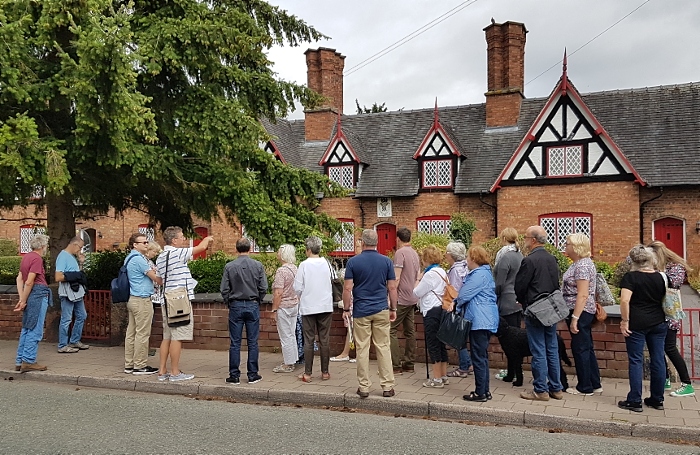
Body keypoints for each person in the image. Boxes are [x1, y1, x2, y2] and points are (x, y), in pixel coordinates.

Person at [343, 229, 397, 398]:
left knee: (362, 349)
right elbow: (392, 287)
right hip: (381, 308)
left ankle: (364, 386)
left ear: (363, 243)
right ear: (377, 243)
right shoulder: (386, 262)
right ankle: (387, 386)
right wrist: (393, 308)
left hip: (361, 311)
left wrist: (346, 309)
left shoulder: (353, 262)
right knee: (383, 347)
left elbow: (347, 288)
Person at [515, 225, 564, 401]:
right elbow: (556, 284)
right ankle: (556, 388)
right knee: (552, 348)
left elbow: (520, 286)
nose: (525, 239)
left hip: (535, 309)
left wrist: (523, 301)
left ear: (533, 240)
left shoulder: (529, 260)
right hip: (551, 309)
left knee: (538, 350)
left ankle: (540, 390)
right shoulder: (552, 259)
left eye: (526, 237)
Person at [157, 227, 213, 381]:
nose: (184, 239)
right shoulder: (177, 253)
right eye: (181, 237)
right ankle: (175, 372)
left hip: (166, 299)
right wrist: (208, 239)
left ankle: (162, 371)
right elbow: (201, 248)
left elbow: (160, 280)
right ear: (174, 240)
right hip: (179, 300)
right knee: (178, 336)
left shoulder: (161, 256)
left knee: (167, 336)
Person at [618, 245, 667, 412]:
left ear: (633, 260)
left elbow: (625, 301)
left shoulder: (631, 277)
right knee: (658, 359)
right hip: (659, 322)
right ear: (650, 259)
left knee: (636, 360)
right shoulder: (661, 277)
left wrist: (625, 320)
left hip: (636, 323)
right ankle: (657, 399)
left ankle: (635, 400)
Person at [648, 241, 695, 398]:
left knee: (670, 348)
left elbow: (672, 284)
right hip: (657, 313)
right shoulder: (656, 268)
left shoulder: (675, 267)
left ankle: (687, 384)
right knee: (657, 348)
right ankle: (665, 378)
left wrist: (655, 275)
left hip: (670, 314)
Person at [221, 238, 267, 385]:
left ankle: (234, 375)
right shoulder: (257, 265)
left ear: (236, 248)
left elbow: (224, 289)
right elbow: (264, 287)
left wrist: (229, 301)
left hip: (236, 305)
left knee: (235, 342)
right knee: (253, 342)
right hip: (252, 304)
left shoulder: (230, 266)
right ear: (250, 247)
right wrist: (258, 299)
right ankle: (252, 374)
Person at [458, 245, 499, 402]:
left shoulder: (478, 275)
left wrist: (456, 304)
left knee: (478, 357)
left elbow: (463, 295)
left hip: (480, 320)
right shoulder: (484, 273)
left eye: (468, 257)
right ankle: (485, 391)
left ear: (474, 259)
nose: (466, 260)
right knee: (482, 356)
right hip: (486, 318)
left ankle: (480, 392)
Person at [562, 233, 602, 396]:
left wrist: (575, 318)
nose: (565, 247)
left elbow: (583, 294)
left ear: (577, 247)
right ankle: (594, 383)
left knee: (580, 348)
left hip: (581, 311)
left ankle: (585, 386)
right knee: (586, 347)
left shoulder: (582, 266)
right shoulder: (579, 264)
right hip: (580, 310)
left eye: (568, 244)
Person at [293, 236, 334, 382]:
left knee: (309, 340)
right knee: (325, 339)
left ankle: (308, 373)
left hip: (309, 306)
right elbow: (334, 280)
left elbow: (297, 288)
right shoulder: (327, 263)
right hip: (325, 305)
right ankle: (325, 372)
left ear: (308, 250)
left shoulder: (304, 265)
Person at [124, 233, 162, 375]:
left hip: (133, 298)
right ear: (135, 244)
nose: (147, 244)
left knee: (131, 333)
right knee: (142, 334)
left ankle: (129, 364)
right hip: (142, 300)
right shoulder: (139, 260)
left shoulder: (130, 258)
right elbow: (157, 279)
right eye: (144, 242)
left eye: (147, 242)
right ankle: (140, 365)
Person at [413, 245, 449, 388]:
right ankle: (444, 375)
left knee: (433, 344)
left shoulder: (429, 274)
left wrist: (418, 278)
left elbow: (416, 292)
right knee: (441, 344)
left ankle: (436, 379)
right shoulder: (442, 272)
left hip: (431, 311)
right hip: (441, 309)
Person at [14, 234, 51, 372]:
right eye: (46, 245)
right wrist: (23, 300)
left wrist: (22, 298)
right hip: (38, 295)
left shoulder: (26, 257)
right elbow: (29, 281)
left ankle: (19, 360)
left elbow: (19, 279)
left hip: (29, 295)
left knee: (27, 328)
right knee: (35, 329)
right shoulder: (37, 258)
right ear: (42, 246)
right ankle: (28, 361)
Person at [493, 227, 524, 381]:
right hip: (518, 301)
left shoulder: (504, 255)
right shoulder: (520, 255)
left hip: (506, 301)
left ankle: (512, 373)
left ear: (504, 238)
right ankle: (515, 372)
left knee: (509, 343)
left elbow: (499, 283)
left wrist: (494, 297)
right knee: (517, 340)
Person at [390, 227, 420, 375]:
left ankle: (395, 366)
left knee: (390, 330)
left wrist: (391, 298)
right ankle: (409, 363)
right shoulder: (415, 253)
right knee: (410, 331)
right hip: (413, 297)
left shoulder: (400, 253)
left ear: (398, 239)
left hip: (402, 298)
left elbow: (396, 278)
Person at [55, 236, 89, 353]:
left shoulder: (71, 257)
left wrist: (81, 263)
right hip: (67, 292)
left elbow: (77, 273)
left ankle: (74, 340)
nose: (80, 250)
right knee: (66, 319)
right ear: (74, 244)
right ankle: (62, 345)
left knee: (82, 315)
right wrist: (73, 276)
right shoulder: (63, 256)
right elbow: (58, 277)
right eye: (80, 247)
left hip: (76, 291)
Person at [444, 241, 473, 378]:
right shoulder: (466, 267)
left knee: (458, 338)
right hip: (468, 306)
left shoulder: (455, 270)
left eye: (447, 253)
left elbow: (455, 291)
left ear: (451, 255)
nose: (445, 255)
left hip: (458, 307)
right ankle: (469, 364)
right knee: (464, 337)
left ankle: (463, 367)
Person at [271, 244, 299, 373]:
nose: (277, 254)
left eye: (278, 252)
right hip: (294, 304)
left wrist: (274, 309)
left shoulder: (281, 271)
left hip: (284, 306)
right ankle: (293, 359)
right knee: (291, 334)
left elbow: (278, 293)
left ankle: (288, 364)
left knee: (285, 336)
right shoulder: (295, 268)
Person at [145, 242, 163, 357]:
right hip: (149, 295)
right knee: (146, 323)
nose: (155, 254)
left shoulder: (149, 262)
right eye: (154, 251)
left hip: (153, 295)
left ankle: (147, 347)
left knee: (149, 322)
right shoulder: (145, 262)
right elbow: (155, 277)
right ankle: (145, 348)